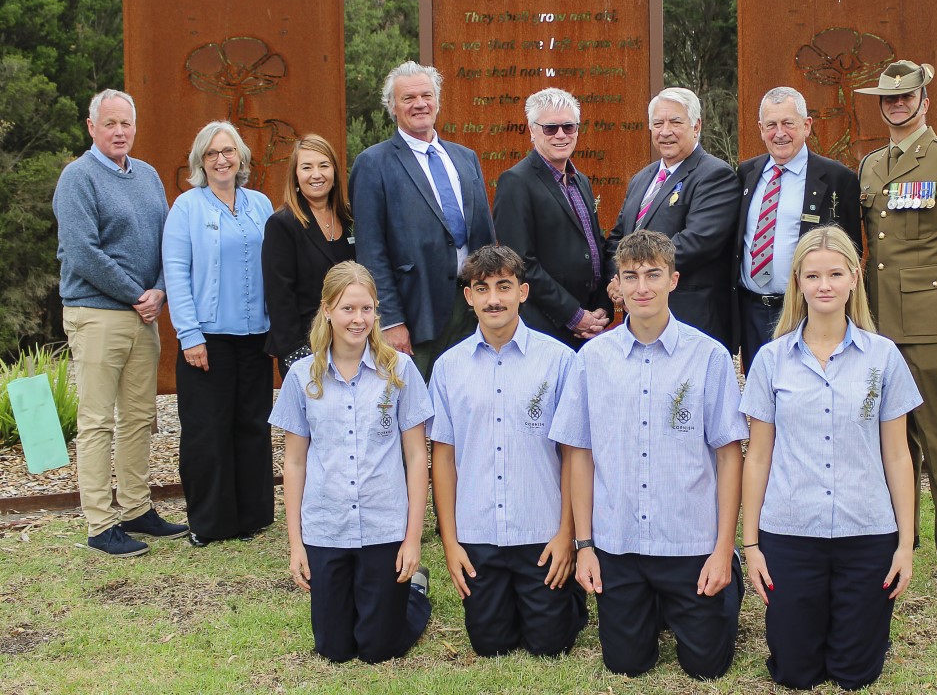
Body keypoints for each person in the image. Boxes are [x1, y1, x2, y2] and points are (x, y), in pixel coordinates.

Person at [549, 229, 748, 679]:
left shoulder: (709, 357)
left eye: (653, 275)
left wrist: (721, 549)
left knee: (706, 667)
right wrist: (585, 546)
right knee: (627, 665)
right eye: (631, 276)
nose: (642, 287)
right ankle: (652, 605)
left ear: (673, 280)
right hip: (619, 544)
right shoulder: (591, 359)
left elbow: (729, 455)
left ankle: (728, 577)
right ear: (616, 285)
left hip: (689, 542)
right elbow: (579, 453)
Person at [741, 226, 920, 690]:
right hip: (791, 531)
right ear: (797, 282)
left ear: (855, 278)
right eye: (813, 275)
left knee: (854, 675)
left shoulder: (883, 357)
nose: (825, 285)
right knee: (795, 673)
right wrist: (752, 545)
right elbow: (757, 457)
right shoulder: (771, 360)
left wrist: (904, 544)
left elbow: (898, 455)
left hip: (866, 532)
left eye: (836, 274)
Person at [855, 60, 937, 594]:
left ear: (924, 101)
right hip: (880, 322)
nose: (897, 105)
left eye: (906, 96)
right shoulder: (871, 166)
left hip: (932, 322)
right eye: (888, 98)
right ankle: (900, 541)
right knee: (892, 436)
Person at [269, 261, 433, 662]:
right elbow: (295, 463)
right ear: (327, 310)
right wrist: (296, 544)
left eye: (366, 309)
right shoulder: (302, 376)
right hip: (327, 528)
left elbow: (416, 456)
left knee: (379, 649)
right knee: (334, 650)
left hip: (383, 526)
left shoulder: (399, 370)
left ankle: (414, 594)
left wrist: (412, 539)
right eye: (348, 308)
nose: (358, 319)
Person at [429, 245, 587, 656]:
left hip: (541, 531)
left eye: (504, 286)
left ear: (523, 292)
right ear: (469, 297)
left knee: (550, 646)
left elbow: (573, 455)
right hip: (479, 533)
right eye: (482, 288)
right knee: (490, 645)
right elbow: (443, 458)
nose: (493, 298)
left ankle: (569, 600)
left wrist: (566, 535)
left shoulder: (559, 361)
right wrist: (451, 543)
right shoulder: (448, 368)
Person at [53, 89, 188, 556]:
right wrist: (136, 294)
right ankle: (99, 523)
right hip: (96, 314)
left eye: (125, 123)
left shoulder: (147, 175)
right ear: (92, 127)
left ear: (135, 126)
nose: (119, 131)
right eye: (109, 123)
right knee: (96, 421)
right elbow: (82, 252)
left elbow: (168, 240)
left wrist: (160, 290)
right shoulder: (77, 178)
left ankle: (135, 508)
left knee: (138, 418)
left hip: (143, 315)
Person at [163, 120, 275, 546]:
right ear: (201, 161)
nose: (221, 159)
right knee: (207, 432)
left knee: (252, 425)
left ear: (240, 157)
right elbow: (176, 272)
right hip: (207, 340)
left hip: (254, 336)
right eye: (212, 153)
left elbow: (274, 265)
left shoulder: (260, 204)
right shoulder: (186, 207)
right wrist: (189, 334)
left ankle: (251, 517)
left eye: (228, 151)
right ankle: (210, 523)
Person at [349, 61, 496, 380]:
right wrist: (390, 320)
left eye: (426, 95)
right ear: (393, 107)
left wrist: (492, 300)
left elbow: (485, 237)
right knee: (413, 404)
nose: (420, 104)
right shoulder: (373, 164)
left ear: (437, 101)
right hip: (415, 315)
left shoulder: (465, 158)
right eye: (408, 98)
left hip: (472, 308)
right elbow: (371, 251)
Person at [735, 86, 861, 374]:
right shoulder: (746, 174)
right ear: (761, 129)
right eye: (771, 125)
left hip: (806, 310)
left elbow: (853, 251)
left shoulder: (838, 179)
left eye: (788, 123)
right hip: (751, 310)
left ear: (806, 125)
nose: (779, 133)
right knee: (760, 388)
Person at [605, 87, 740, 351]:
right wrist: (619, 279)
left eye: (675, 122)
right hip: (641, 320)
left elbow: (696, 242)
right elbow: (618, 239)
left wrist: (634, 275)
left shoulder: (715, 175)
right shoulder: (642, 179)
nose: (665, 131)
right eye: (658, 124)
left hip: (690, 319)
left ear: (696, 126)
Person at [493, 88, 610, 350]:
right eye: (550, 128)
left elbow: (595, 247)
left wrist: (603, 307)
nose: (561, 135)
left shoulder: (581, 181)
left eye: (568, 127)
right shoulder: (515, 182)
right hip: (545, 329)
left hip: (591, 328)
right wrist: (574, 316)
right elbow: (521, 264)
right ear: (532, 131)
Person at [262, 134, 355, 376]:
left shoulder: (350, 219)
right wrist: (298, 355)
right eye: (307, 167)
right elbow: (279, 297)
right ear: (295, 176)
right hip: (306, 348)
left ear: (335, 172)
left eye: (324, 165)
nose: (316, 174)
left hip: (352, 344)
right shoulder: (282, 224)